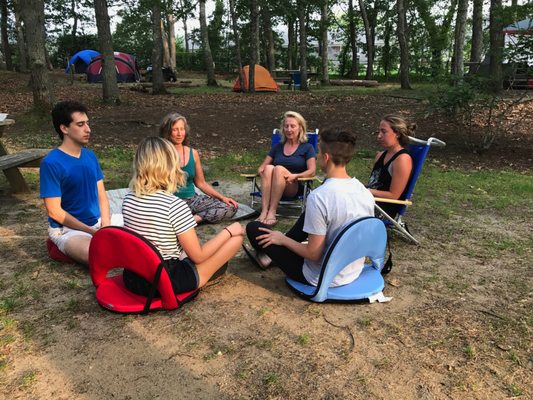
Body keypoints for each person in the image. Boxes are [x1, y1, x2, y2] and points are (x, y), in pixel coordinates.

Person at [245, 128, 375, 287]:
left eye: (318, 153)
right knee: (309, 215)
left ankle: (269, 255)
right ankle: (271, 254)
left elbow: (313, 254)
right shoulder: (364, 191)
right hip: (351, 270)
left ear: (326, 158)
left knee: (253, 228)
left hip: (321, 276)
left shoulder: (319, 196)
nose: (317, 156)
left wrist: (282, 239)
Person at [121, 137, 244, 296]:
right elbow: (198, 257)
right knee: (236, 238)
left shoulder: (128, 199)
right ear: (170, 166)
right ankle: (205, 274)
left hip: (133, 278)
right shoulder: (175, 205)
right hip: (164, 282)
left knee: (187, 250)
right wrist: (228, 231)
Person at [40, 100, 120, 265]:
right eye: (81, 124)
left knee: (147, 230)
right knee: (99, 256)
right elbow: (54, 211)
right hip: (69, 230)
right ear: (64, 128)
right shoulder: (51, 163)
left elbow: (101, 195)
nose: (88, 129)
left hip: (99, 222)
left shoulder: (90, 156)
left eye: (88, 124)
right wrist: (91, 231)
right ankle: (58, 246)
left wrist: (105, 225)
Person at [159, 113, 237, 223]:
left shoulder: (193, 153)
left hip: (192, 200)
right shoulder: (159, 153)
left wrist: (222, 198)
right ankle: (184, 220)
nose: (179, 133)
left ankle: (190, 221)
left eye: (182, 129)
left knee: (230, 207)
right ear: (167, 132)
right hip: (170, 202)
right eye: (175, 129)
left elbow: (201, 183)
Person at [255, 111, 316, 226]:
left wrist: (296, 176)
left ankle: (272, 211)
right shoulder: (278, 147)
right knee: (268, 168)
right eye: (286, 126)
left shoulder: (307, 148)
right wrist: (262, 171)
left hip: (292, 185)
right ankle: (264, 211)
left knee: (278, 168)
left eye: (293, 126)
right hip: (273, 187)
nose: (289, 129)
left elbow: (312, 171)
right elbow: (262, 167)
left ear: (300, 128)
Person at [367, 115, 414, 218]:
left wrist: (365, 191)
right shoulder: (380, 155)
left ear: (397, 134)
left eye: (384, 132)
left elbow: (393, 196)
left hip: (382, 211)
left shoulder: (402, 159)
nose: (379, 136)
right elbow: (374, 184)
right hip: (369, 203)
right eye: (379, 131)